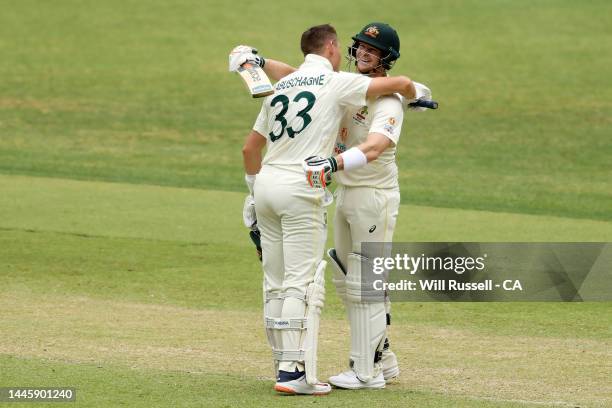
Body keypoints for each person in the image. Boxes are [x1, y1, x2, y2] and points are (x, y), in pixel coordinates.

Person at [233, 22, 433, 390]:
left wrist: (332, 164)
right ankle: (384, 359)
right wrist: (259, 61)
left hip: (375, 196)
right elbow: (300, 76)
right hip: (345, 194)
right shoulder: (342, 85)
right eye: (359, 48)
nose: (363, 54)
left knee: (366, 282)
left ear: (386, 57)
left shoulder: (387, 101)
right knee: (345, 278)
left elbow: (374, 148)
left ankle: (366, 372)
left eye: (372, 51)